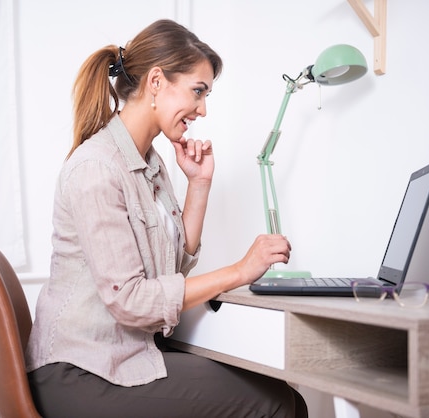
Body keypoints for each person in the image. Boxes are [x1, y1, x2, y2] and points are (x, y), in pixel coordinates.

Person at [25, 19, 308, 417]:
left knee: (285, 396)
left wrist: (199, 184)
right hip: (81, 372)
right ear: (156, 81)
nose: (203, 109)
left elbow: (169, 270)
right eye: (198, 91)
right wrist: (241, 270)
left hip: (124, 357)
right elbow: (132, 301)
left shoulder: (149, 163)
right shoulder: (97, 167)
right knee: (277, 404)